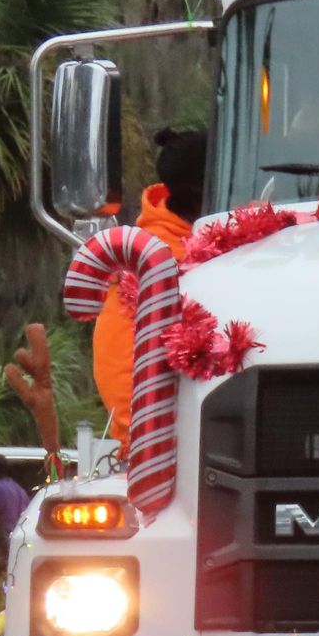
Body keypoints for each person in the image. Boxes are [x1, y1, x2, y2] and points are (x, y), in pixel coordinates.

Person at [93, 127, 205, 441]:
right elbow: (120, 373)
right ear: (203, 192)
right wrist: (151, 447)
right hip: (166, 458)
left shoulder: (228, 246)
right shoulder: (147, 264)